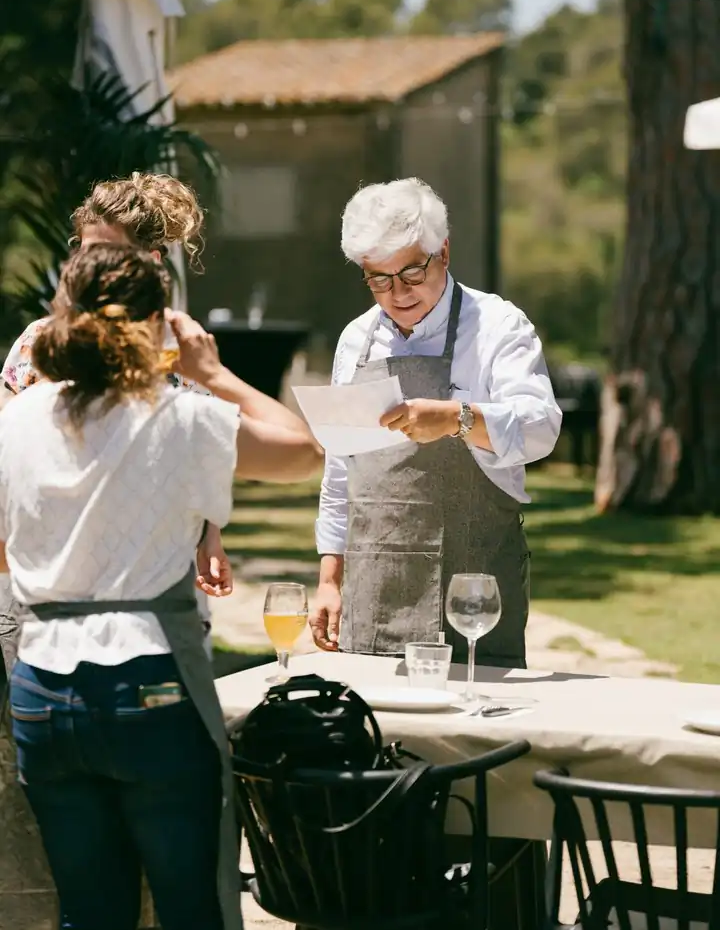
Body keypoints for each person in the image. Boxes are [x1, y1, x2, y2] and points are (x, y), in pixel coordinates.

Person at [0, 243, 323, 930]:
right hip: (150, 681)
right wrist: (216, 372)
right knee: (190, 905)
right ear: (158, 323)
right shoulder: (180, 417)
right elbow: (304, 452)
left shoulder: (18, 419)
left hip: (41, 687)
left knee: (90, 913)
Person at [310, 178, 562, 666]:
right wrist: (328, 579)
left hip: (474, 592)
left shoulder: (497, 326)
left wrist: (457, 418)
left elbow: (540, 427)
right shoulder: (355, 340)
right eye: (378, 279)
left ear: (443, 251)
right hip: (374, 591)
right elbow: (340, 472)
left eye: (410, 272)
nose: (397, 293)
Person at [1, 173, 228, 647]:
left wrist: (211, 536)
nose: (94, 267)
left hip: (148, 591)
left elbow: (204, 459)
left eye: (110, 254)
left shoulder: (184, 349)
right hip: (40, 589)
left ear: (151, 262)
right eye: (85, 252)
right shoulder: (38, 344)